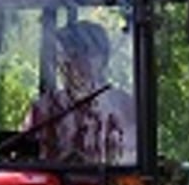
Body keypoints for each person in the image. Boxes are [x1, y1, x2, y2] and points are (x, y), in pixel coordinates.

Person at [26, 20, 136, 165]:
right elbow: (26, 164)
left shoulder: (124, 107)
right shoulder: (42, 110)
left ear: (101, 59)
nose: (67, 63)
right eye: (61, 55)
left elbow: (132, 161)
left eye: (75, 54)